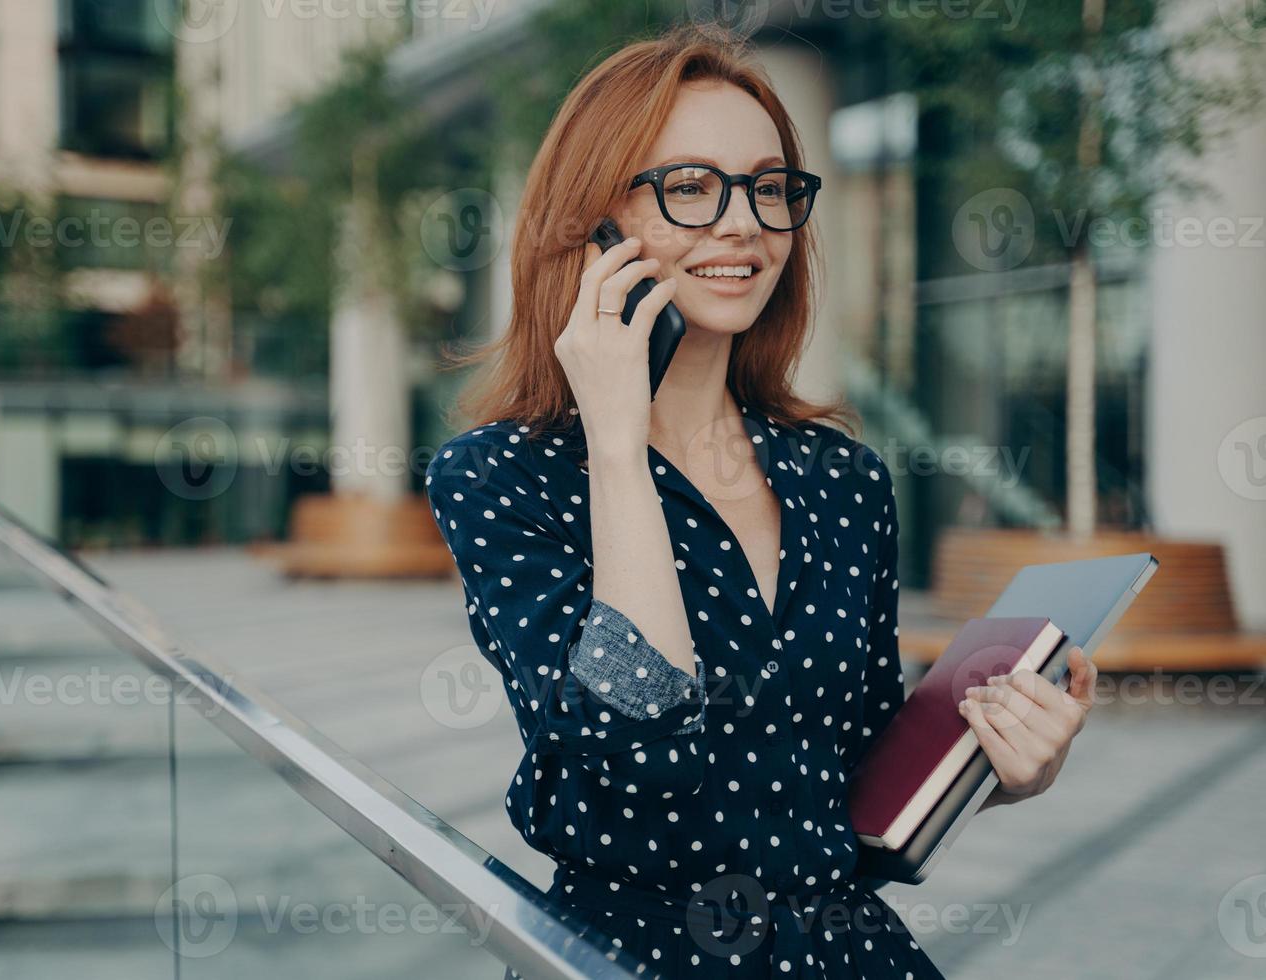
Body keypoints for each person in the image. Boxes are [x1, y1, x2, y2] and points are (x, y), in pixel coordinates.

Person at [425, 24, 1097, 979]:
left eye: (769, 188)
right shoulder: (502, 476)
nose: (741, 223)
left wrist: (1004, 768)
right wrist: (616, 441)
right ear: (592, 224)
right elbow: (634, 739)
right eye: (689, 187)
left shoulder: (843, 478)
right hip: (634, 956)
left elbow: (855, 783)